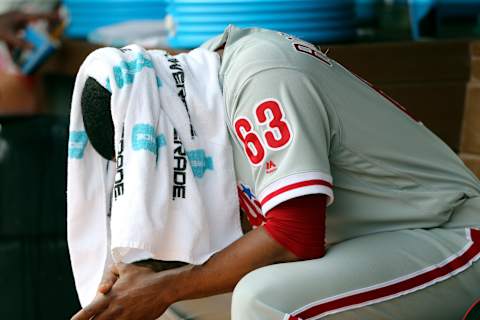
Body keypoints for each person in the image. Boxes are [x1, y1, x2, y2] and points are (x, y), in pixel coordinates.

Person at [71, 26, 480, 320]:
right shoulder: (192, 99)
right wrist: (146, 276)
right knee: (171, 308)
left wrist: (165, 285)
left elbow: (295, 236)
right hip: (368, 245)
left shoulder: (259, 75)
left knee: (263, 300)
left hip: (450, 235)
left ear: (161, 129)